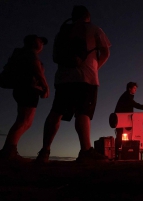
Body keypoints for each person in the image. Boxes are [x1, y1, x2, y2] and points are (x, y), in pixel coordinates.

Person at [36, 5, 111, 163]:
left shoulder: (62, 32)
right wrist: (95, 68)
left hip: (63, 79)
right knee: (83, 113)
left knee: (56, 112)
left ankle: (44, 151)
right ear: (88, 16)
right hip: (86, 78)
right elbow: (105, 52)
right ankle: (85, 151)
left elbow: (56, 56)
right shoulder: (94, 29)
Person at [0, 35, 49, 161]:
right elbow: (37, 70)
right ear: (33, 42)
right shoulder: (29, 54)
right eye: (40, 41)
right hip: (28, 89)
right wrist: (45, 86)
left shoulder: (21, 54)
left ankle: (9, 149)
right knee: (24, 120)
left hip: (23, 89)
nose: (42, 44)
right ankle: (9, 151)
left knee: (24, 121)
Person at [114, 82, 143, 160]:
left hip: (122, 119)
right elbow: (136, 105)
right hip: (121, 120)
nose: (135, 90)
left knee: (120, 136)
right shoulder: (127, 96)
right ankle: (117, 155)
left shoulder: (127, 96)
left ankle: (119, 155)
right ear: (130, 88)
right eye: (134, 88)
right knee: (120, 137)